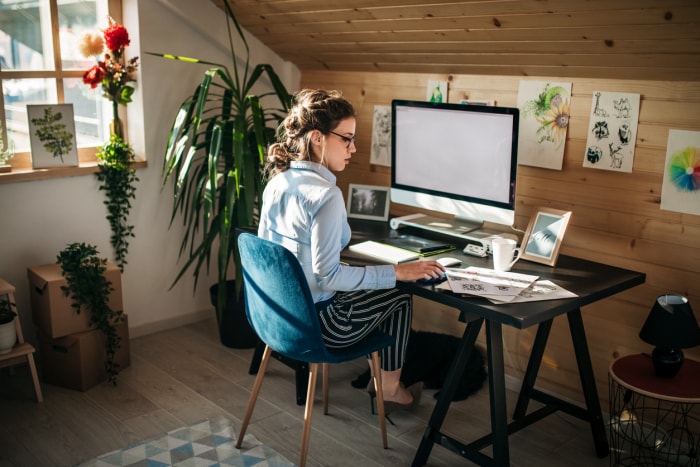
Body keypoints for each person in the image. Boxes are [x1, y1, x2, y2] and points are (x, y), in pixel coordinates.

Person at [258, 89, 446, 412]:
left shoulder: (279, 182)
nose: (353, 148)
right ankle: (388, 390)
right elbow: (328, 276)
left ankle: (387, 386)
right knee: (400, 297)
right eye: (346, 139)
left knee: (380, 289)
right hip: (320, 328)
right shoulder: (325, 196)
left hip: (278, 319)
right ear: (317, 137)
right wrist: (397, 272)